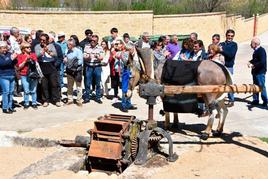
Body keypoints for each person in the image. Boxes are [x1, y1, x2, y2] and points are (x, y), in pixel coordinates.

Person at [35, 33, 61, 107]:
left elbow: (55, 55)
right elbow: (37, 56)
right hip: (42, 66)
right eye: (41, 40)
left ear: (47, 40)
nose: (42, 41)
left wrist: (48, 51)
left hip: (51, 65)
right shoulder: (37, 46)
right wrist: (43, 50)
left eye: (44, 40)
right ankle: (46, 100)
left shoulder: (51, 46)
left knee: (54, 84)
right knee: (44, 85)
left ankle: (56, 100)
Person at [16, 42, 40, 109]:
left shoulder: (33, 55)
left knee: (33, 90)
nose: (29, 48)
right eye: (27, 47)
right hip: (24, 75)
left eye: (30, 47)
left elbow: (36, 64)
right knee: (26, 90)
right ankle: (26, 103)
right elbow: (19, 67)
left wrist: (32, 59)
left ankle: (34, 103)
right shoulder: (20, 56)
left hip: (33, 75)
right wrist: (25, 61)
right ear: (23, 49)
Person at [83, 34, 104, 104]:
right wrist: (87, 57)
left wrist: (97, 57)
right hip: (89, 67)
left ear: (97, 41)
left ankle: (98, 97)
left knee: (98, 83)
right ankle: (87, 97)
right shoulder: (87, 47)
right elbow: (84, 56)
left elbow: (101, 57)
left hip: (97, 67)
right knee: (87, 83)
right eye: (91, 40)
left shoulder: (100, 48)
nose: (92, 41)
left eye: (94, 40)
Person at [220, 29, 238, 107]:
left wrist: (222, 50)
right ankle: (221, 99)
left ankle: (231, 100)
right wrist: (223, 50)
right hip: (221, 66)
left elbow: (231, 55)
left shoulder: (234, 45)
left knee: (229, 83)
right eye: (228, 35)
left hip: (229, 66)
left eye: (231, 36)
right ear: (226, 35)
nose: (230, 37)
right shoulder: (222, 43)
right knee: (221, 83)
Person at [248, 37, 267, 107]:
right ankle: (255, 100)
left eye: (251, 43)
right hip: (255, 72)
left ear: (255, 44)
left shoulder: (261, 50)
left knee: (261, 86)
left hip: (260, 72)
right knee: (255, 86)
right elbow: (255, 59)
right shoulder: (256, 50)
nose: (250, 45)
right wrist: (250, 62)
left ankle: (265, 101)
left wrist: (254, 65)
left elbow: (262, 62)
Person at [64, 39, 83, 106]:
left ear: (73, 45)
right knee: (69, 86)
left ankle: (79, 100)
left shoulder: (78, 51)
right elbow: (65, 58)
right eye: (67, 44)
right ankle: (70, 100)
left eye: (69, 44)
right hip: (69, 70)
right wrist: (65, 60)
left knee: (78, 86)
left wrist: (71, 62)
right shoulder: (67, 51)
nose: (67, 46)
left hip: (77, 71)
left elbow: (80, 61)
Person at [0, 41, 17, 114]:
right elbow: (3, 64)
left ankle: (10, 107)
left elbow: (15, 62)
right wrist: (11, 59)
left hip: (12, 75)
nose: (5, 50)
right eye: (3, 48)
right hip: (3, 76)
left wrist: (15, 58)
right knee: (6, 92)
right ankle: (5, 107)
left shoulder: (9, 54)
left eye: (6, 48)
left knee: (11, 92)